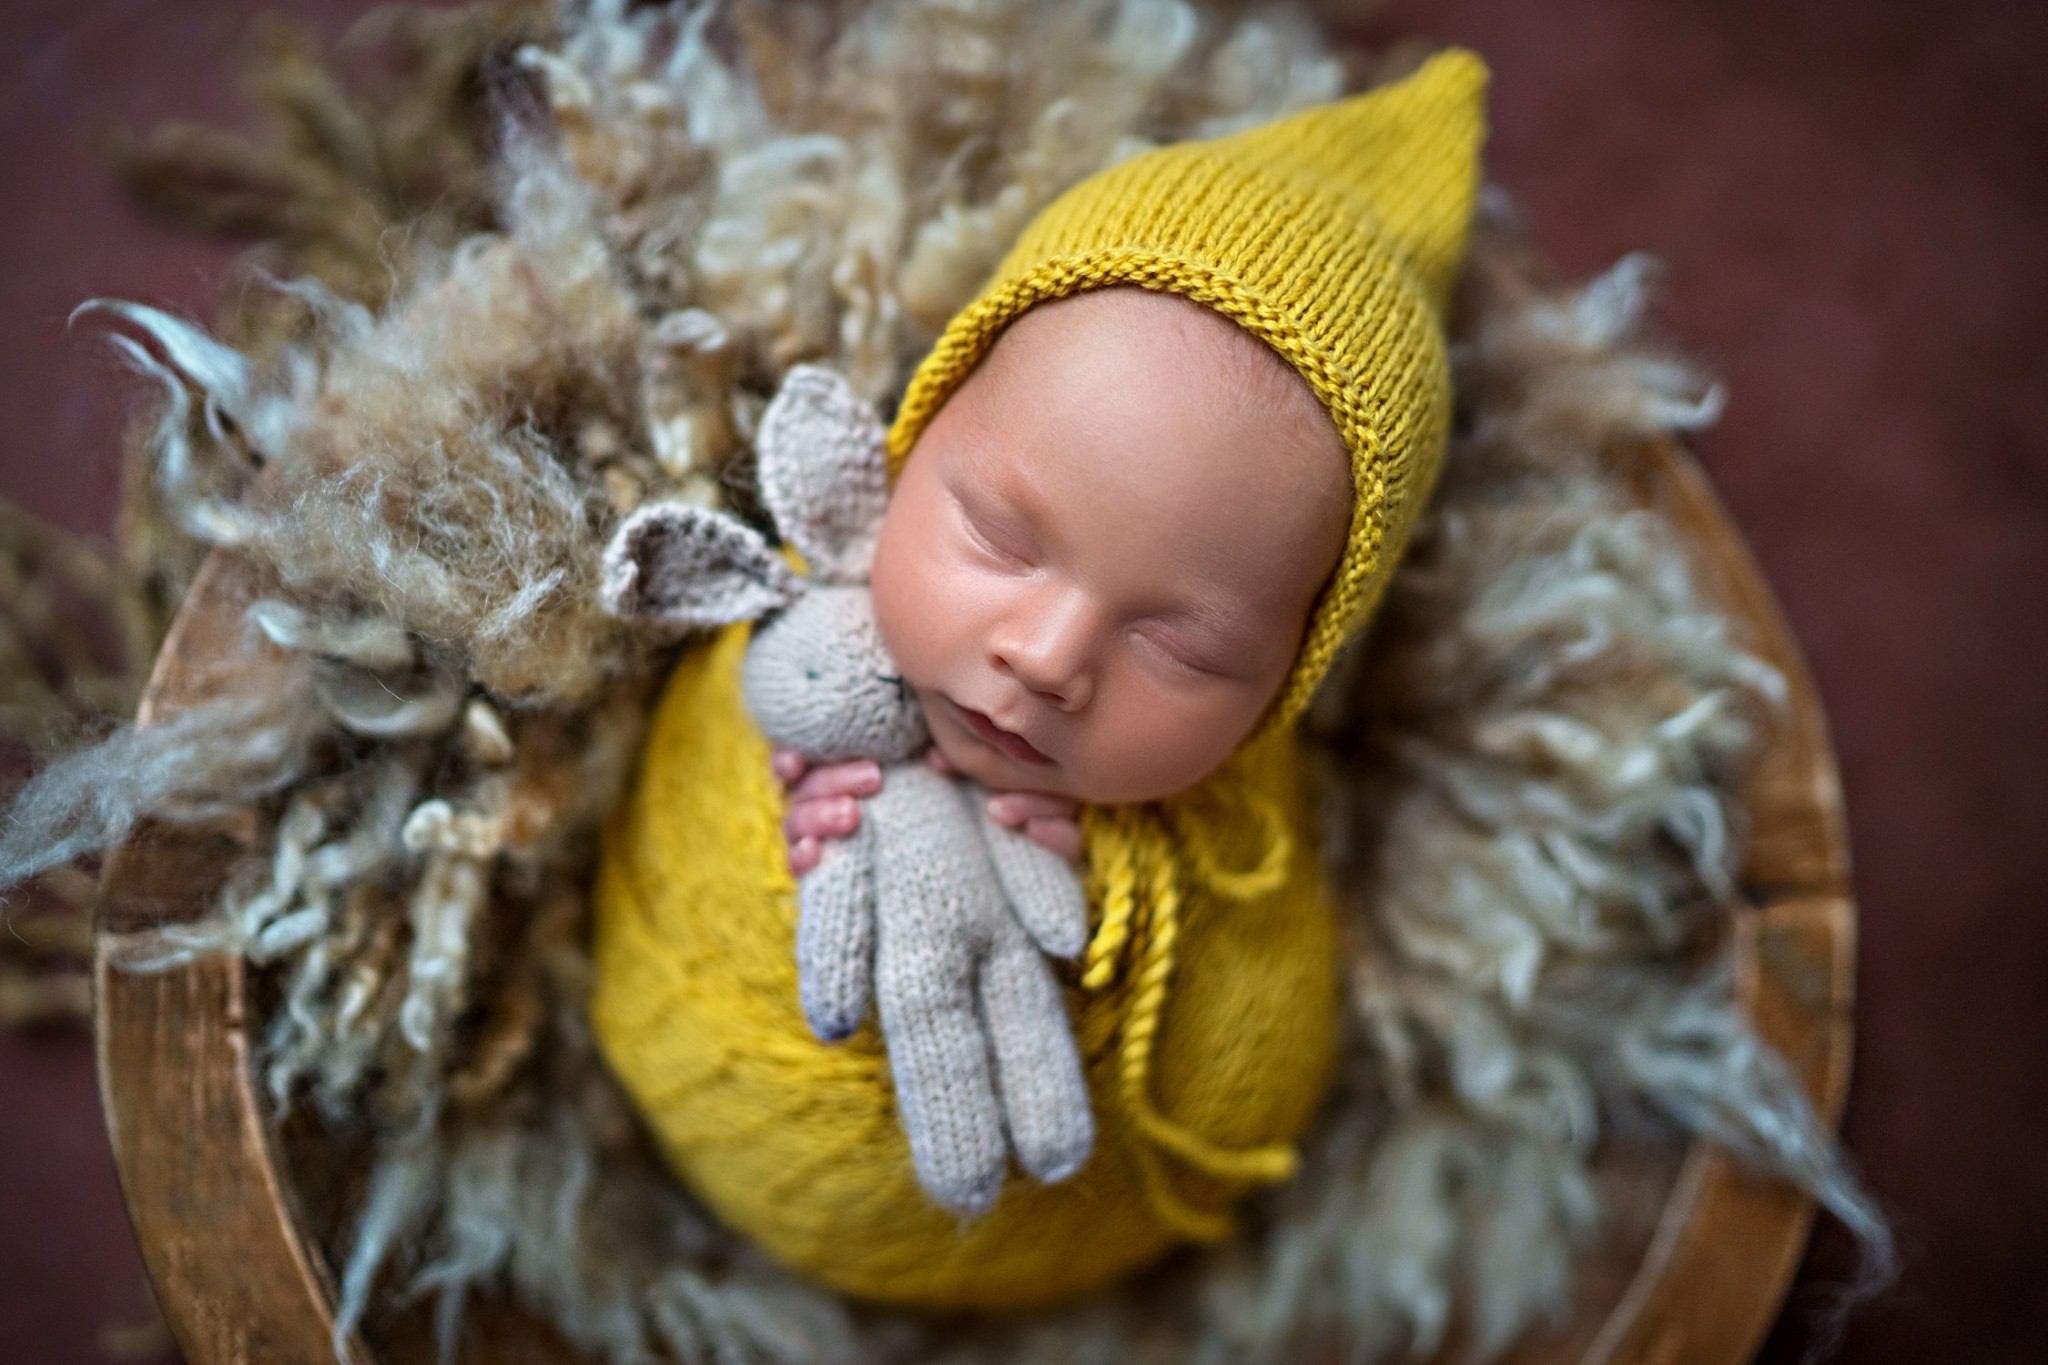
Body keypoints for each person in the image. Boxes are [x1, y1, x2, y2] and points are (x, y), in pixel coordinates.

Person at [590, 48, 1489, 1309]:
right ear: (913, 433)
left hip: (1104, 1215)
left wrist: (1098, 897)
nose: (1049, 658)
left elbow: (1259, 1023)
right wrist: (788, 809)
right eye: (1002, 538)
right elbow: (697, 770)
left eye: (1181, 648)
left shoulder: (1243, 825)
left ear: (1291, 680)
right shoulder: (797, 627)